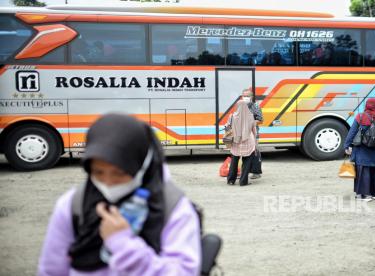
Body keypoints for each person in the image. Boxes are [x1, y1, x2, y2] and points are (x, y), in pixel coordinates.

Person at [38, 114, 201, 275]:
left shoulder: (173, 207)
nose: (107, 182)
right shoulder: (73, 204)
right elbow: (51, 270)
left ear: (142, 165)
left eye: (119, 173)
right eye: (98, 172)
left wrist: (123, 243)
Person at [344, 98, 375, 201]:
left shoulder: (360, 116)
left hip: (362, 149)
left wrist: (347, 145)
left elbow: (352, 132)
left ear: (366, 105)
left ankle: (364, 195)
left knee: (364, 170)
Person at [227, 100, 257, 186]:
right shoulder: (251, 116)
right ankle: (243, 181)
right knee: (247, 162)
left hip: (236, 141)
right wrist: (255, 142)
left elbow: (228, 128)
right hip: (248, 141)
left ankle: (231, 180)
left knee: (234, 161)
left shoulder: (231, 116)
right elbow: (254, 131)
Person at [241, 88, 264, 179]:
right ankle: (245, 171)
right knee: (244, 152)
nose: (245, 97)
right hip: (243, 132)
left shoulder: (255, 106)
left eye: (247, 96)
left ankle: (256, 172)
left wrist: (251, 122)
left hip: (253, 132)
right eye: (244, 96)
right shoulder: (241, 106)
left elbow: (261, 120)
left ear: (251, 97)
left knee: (254, 152)